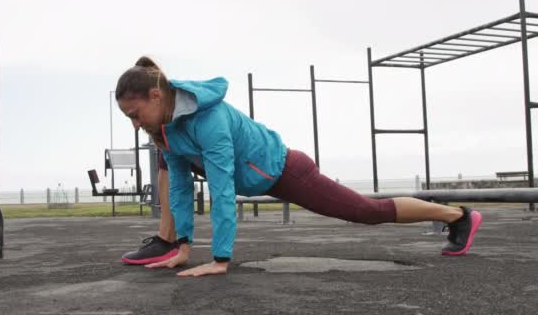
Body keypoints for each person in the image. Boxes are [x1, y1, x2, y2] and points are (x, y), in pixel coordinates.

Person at [116, 56, 483, 277]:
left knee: (366, 211)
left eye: (135, 114)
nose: (135, 124)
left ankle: (457, 216)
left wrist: (220, 259)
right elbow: (179, 188)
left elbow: (221, 188)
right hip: (261, 178)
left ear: (156, 95)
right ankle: (455, 216)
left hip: (287, 171)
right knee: (172, 173)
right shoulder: (167, 129)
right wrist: (183, 246)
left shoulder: (209, 119)